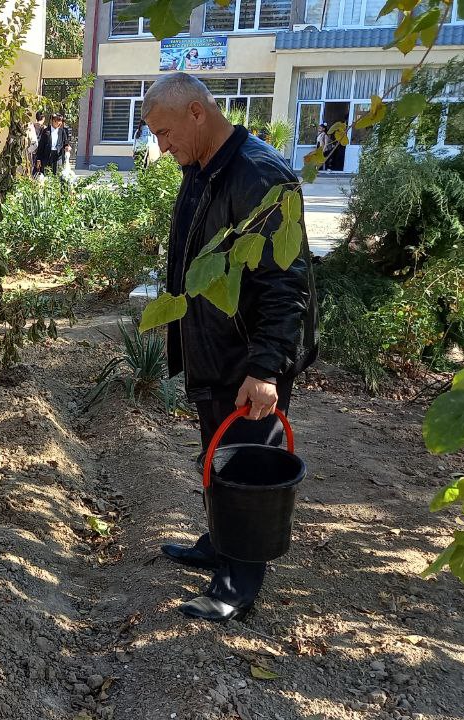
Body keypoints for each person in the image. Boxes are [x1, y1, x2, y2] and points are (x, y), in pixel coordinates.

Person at [140, 73, 317, 623]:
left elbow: (285, 283)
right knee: (219, 455)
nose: (161, 146)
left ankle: (237, 586)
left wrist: (265, 368)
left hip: (247, 358)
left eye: (165, 132)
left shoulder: (258, 175)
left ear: (197, 112)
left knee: (245, 467)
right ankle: (221, 543)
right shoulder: (205, 168)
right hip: (216, 351)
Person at [37, 113, 72, 179]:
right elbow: (41, 145)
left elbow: (65, 143)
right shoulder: (46, 131)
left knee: (57, 175)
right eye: (58, 121)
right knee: (47, 174)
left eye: (61, 121)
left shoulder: (62, 131)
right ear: (53, 121)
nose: (60, 123)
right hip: (47, 156)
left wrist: (67, 147)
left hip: (58, 156)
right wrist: (38, 159)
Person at [26, 111, 45, 176]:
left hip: (31, 149)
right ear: (43, 118)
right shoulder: (44, 128)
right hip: (40, 150)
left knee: (31, 166)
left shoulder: (31, 126)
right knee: (39, 168)